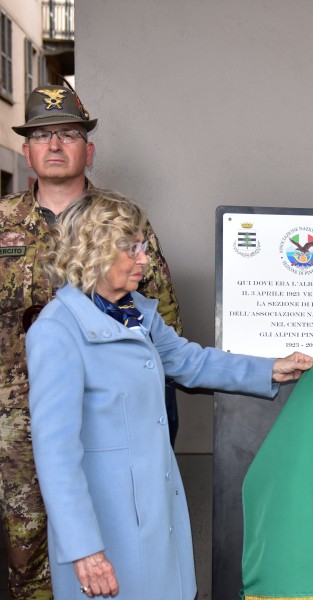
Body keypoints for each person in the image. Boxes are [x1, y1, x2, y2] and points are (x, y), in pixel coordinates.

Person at [25, 192, 313, 599]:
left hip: (155, 510)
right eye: (132, 248)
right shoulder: (57, 331)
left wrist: (269, 369)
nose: (144, 259)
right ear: (92, 250)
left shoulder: (136, 311)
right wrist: (84, 549)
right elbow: (55, 455)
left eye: (143, 246)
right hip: (106, 528)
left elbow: (187, 360)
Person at [0, 84, 182, 599]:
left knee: (113, 552)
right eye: (42, 135)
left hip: (108, 425)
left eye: (69, 134)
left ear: (90, 150)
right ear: (27, 151)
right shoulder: (2, 224)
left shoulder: (125, 221)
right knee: (27, 553)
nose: (55, 144)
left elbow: (162, 316)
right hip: (16, 426)